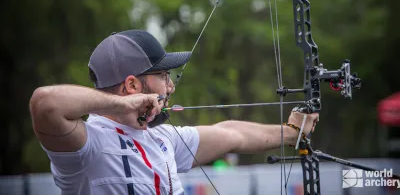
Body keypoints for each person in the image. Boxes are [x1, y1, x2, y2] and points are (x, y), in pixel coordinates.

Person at [29, 29, 319, 195]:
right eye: (164, 77)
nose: (171, 87)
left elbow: (231, 134)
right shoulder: (88, 146)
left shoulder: (162, 139)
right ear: (132, 84)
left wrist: (292, 131)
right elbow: (44, 103)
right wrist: (123, 104)